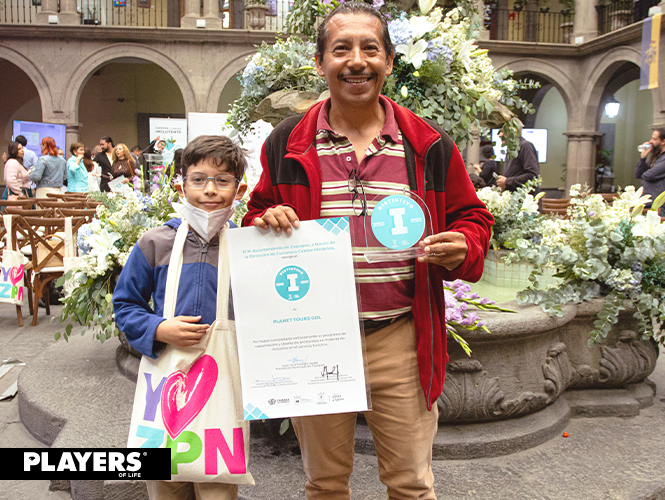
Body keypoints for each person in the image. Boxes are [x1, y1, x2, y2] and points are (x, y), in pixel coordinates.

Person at [242, 3, 493, 498]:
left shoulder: (428, 145)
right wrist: (265, 220)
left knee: (411, 483)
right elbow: (257, 213)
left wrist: (463, 243)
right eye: (342, 49)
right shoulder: (287, 142)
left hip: (399, 338)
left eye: (370, 48)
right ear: (320, 63)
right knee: (324, 483)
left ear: (389, 61)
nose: (356, 61)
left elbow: (473, 217)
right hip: (314, 338)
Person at [112, 135, 248, 500]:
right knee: (165, 484)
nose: (210, 190)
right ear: (181, 185)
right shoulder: (155, 243)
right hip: (165, 383)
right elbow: (125, 305)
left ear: (240, 189)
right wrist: (158, 328)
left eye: (222, 180)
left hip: (223, 383)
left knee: (217, 487)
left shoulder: (247, 248)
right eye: (198, 179)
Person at [635, 128, 665, 216]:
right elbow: (638, 174)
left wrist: (645, 172)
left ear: (663, 141)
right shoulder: (656, 157)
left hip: (659, 204)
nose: (651, 141)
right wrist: (643, 157)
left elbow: (648, 175)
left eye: (654, 139)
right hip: (648, 202)